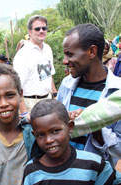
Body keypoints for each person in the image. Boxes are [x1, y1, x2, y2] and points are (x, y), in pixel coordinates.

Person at [57, 23, 121, 166]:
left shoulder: (117, 92)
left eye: (70, 54)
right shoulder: (66, 85)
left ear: (92, 52)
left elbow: (119, 149)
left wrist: (94, 126)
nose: (64, 61)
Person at [23, 99, 121, 185]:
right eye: (40, 135)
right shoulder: (31, 171)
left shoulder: (94, 164)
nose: (49, 140)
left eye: (55, 131)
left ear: (70, 127)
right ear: (34, 134)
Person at [13, 15, 57, 116]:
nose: (41, 31)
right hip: (30, 103)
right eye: (37, 29)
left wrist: (55, 95)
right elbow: (17, 86)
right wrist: (24, 113)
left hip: (48, 100)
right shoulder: (23, 54)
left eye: (44, 28)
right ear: (30, 31)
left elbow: (49, 74)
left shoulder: (47, 49)